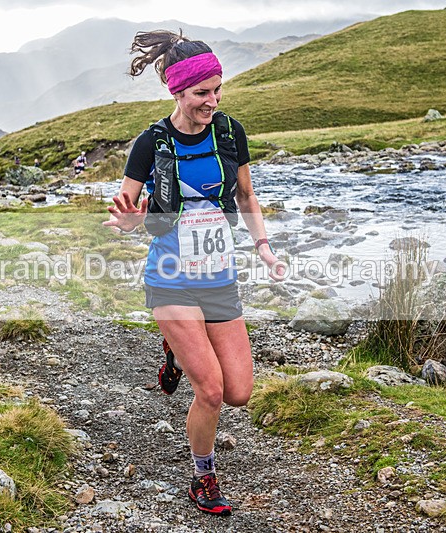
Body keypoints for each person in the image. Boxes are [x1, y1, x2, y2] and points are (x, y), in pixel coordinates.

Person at [103, 29, 285, 516]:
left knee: (240, 392)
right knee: (212, 391)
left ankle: (177, 351)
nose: (213, 101)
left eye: (218, 90)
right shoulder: (151, 143)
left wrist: (264, 248)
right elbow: (129, 210)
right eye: (202, 93)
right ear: (178, 91)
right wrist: (130, 222)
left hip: (218, 276)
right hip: (170, 277)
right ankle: (203, 475)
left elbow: (246, 196)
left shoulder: (229, 132)